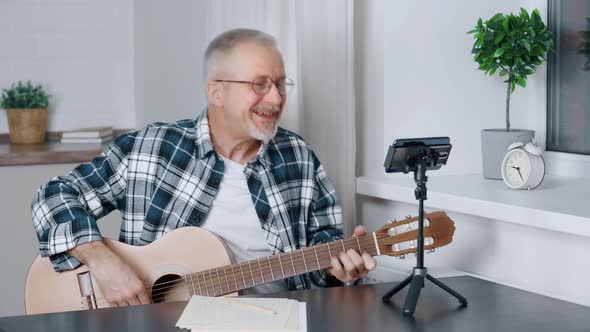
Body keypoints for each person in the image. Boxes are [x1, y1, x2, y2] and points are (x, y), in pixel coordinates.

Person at [31, 28, 376, 307]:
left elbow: (320, 264)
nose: (275, 98)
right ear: (216, 92)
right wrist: (103, 262)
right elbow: (53, 196)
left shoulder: (298, 157)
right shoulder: (153, 147)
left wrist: (339, 271)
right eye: (259, 84)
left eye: (280, 84)